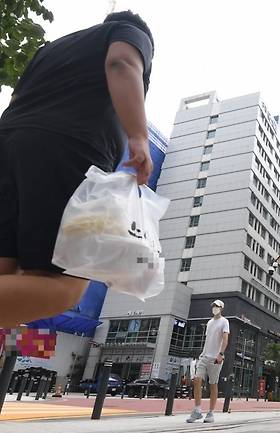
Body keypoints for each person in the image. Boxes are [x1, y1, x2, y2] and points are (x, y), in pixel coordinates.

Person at [0, 11, 154, 328]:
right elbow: (122, 62)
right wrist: (138, 136)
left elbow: (15, 100)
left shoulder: (47, 52)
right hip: (68, 151)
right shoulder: (127, 32)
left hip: (8, 146)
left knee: (6, 271)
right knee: (61, 284)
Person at [187, 299, 230, 423]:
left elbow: (225, 339)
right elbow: (208, 340)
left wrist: (221, 354)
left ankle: (211, 413)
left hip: (216, 358)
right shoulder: (210, 322)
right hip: (204, 356)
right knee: (196, 380)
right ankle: (197, 410)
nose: (214, 308)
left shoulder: (224, 321)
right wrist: (202, 354)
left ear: (221, 308)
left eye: (217, 306)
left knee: (213, 384)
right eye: (213, 306)